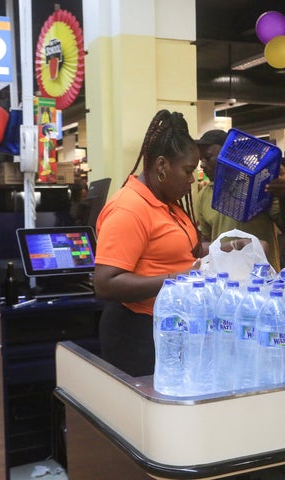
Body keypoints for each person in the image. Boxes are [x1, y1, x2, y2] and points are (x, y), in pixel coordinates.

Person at [93, 110, 203, 377]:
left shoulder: (169, 205)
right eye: (188, 171)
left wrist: (227, 248)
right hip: (137, 332)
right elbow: (106, 282)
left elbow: (187, 252)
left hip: (171, 326)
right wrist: (180, 278)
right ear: (162, 166)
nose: (192, 180)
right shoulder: (129, 209)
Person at [194, 129, 284, 270]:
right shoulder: (204, 195)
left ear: (228, 155)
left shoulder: (260, 185)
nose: (203, 165)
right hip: (225, 278)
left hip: (261, 277)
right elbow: (206, 240)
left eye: (208, 157)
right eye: (201, 160)